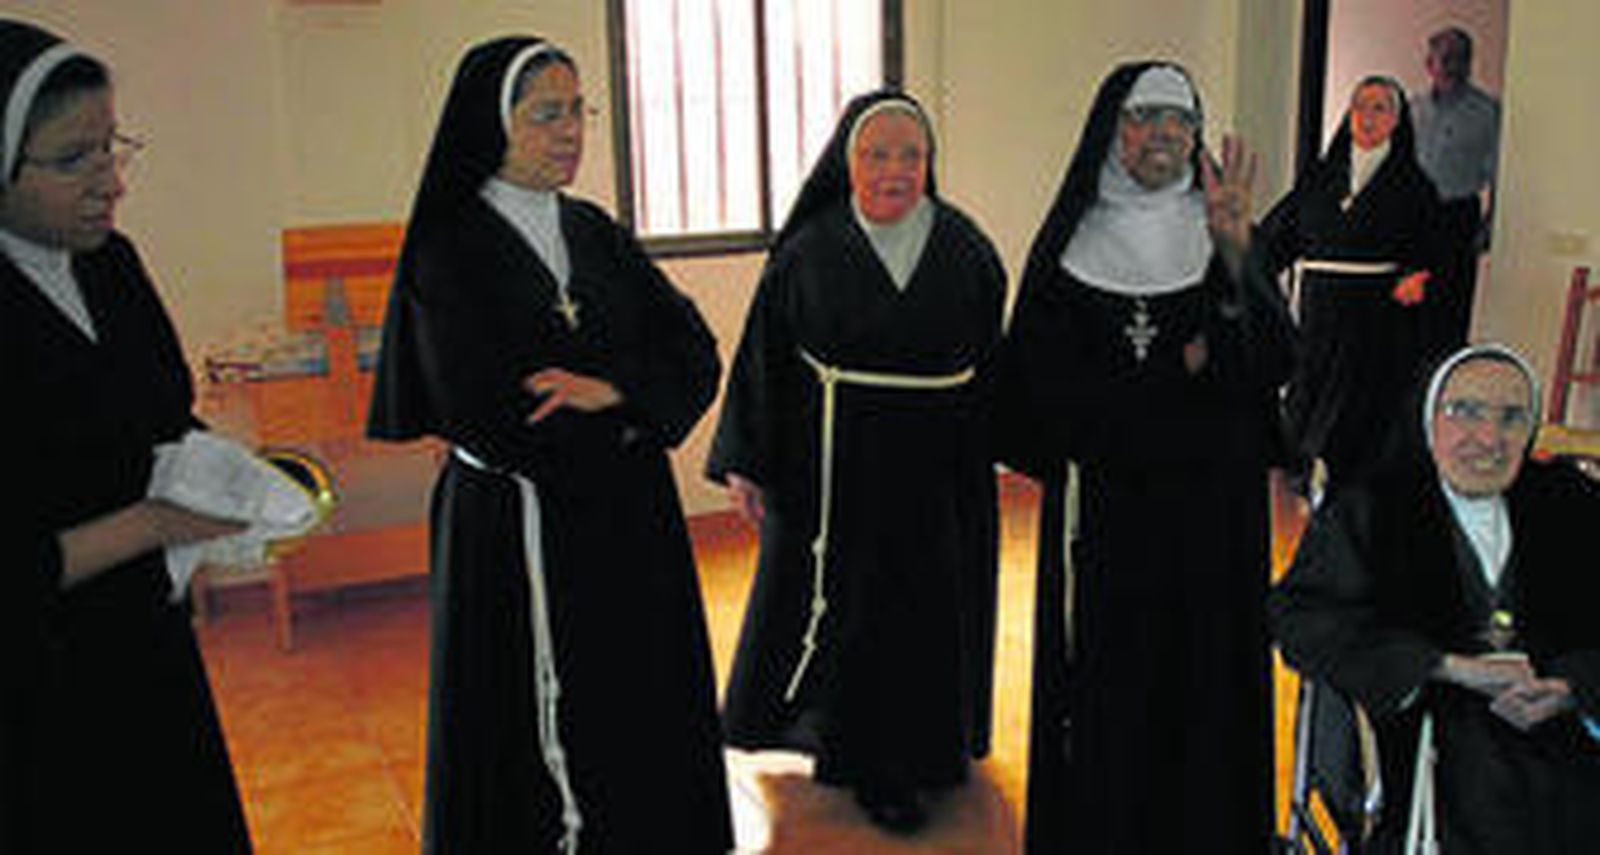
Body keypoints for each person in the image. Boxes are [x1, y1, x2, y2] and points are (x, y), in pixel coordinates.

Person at [367, 36, 731, 853]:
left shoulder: (595, 231)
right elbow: (487, 409)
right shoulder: (447, 250)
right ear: (493, 124)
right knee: (523, 725)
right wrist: (630, 403)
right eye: (546, 115)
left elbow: (694, 349)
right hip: (516, 526)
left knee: (637, 700)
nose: (570, 131)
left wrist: (613, 390)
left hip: (630, 522)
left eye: (577, 111)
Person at [995, 61, 1296, 853]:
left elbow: (1271, 364)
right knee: (1109, 682)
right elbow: (1040, 394)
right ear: (1112, 127)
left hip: (1214, 518)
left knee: (1207, 679)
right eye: (1145, 116)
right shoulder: (1070, 242)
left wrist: (1235, 256)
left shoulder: (1225, 226)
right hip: (1109, 513)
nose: (1164, 132)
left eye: (1180, 118)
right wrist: (1182, 371)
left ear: (1197, 135)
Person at [706, 90, 1005, 834]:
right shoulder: (810, 249)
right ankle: (863, 760)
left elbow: (997, 370)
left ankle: (933, 748)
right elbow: (764, 360)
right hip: (832, 469)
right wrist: (749, 460)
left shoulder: (967, 248)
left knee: (930, 609)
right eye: (877, 154)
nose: (895, 169)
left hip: (939, 474)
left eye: (912, 154)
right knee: (846, 611)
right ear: (849, 162)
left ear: (930, 164)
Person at [0, 18, 252, 852]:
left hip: (146, 645)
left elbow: (162, 414)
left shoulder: (112, 264)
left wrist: (235, 484)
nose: (110, 182)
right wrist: (155, 523)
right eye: (74, 160)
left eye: (113, 148)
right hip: (41, 686)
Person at [1270, 343, 1600, 853]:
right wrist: (1444, 666)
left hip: (1568, 732)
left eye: (1512, 418)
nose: (1489, 439)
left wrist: (1573, 686)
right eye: (1465, 412)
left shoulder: (1573, 507)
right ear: (1428, 418)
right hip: (1431, 733)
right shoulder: (1376, 510)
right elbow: (1301, 619)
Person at [1260, 75, 1446, 491]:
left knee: (1358, 401)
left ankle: (1347, 483)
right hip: (1320, 304)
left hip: (1374, 309)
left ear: (1396, 121)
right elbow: (1279, 234)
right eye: (1360, 106)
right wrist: (1244, 263)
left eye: (1380, 108)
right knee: (1309, 387)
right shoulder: (1320, 177)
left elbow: (1433, 247)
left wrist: (1417, 275)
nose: (1367, 117)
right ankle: (1300, 475)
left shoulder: (1413, 185)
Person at [1412, 27, 1501, 351]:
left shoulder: (1487, 112)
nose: (1453, 66)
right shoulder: (1412, 110)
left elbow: (1499, 176)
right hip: (1415, 218)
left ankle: (1444, 386)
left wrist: (1490, 224)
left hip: (1457, 217)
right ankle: (1409, 392)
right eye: (1445, 58)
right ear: (1429, 64)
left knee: (1452, 311)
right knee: (1411, 309)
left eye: (1461, 58)